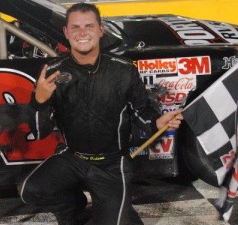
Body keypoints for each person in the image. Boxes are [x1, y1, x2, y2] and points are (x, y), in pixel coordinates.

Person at [18, 3, 183, 225]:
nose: (82, 33)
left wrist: (157, 121)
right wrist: (39, 100)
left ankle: (119, 211)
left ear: (100, 30)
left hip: (112, 165)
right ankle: (75, 210)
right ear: (66, 32)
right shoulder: (53, 71)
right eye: (75, 27)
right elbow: (39, 131)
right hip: (72, 157)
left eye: (89, 26)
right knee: (30, 190)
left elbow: (143, 112)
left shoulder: (123, 69)